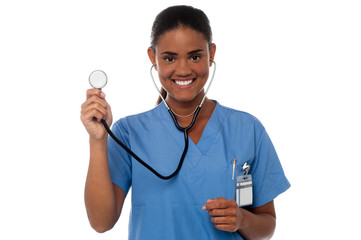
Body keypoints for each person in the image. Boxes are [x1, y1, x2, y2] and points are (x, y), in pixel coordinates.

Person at [80, 5, 290, 240]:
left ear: (211, 54)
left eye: (195, 56)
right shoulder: (129, 132)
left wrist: (242, 219)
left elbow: (267, 226)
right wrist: (98, 140)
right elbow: (101, 222)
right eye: (169, 58)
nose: (183, 69)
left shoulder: (248, 130)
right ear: (153, 57)